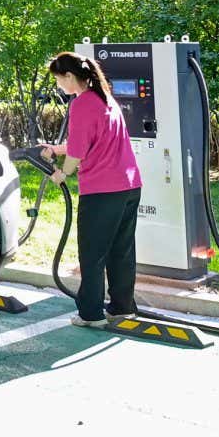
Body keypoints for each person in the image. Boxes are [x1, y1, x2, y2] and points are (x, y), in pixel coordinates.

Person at [41, 52, 143, 328]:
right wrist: (55, 149)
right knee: (121, 250)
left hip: (102, 190)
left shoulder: (82, 103)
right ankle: (122, 308)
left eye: (59, 80)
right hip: (129, 185)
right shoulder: (105, 98)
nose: (58, 86)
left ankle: (91, 314)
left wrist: (62, 173)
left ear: (70, 77)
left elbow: (77, 154)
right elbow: (91, 142)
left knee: (93, 252)